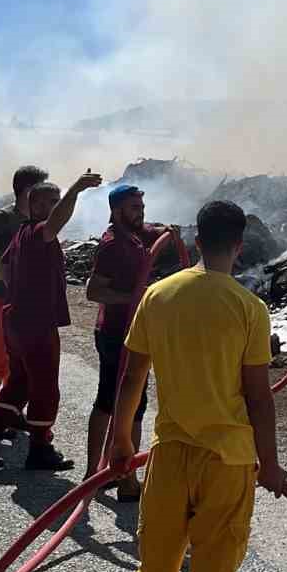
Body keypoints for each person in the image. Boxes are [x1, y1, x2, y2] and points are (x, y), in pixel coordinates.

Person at [111, 199, 286, 572]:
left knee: (156, 567)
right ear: (238, 245)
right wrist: (271, 464)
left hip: (168, 456)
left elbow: (131, 379)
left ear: (194, 237)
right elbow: (259, 397)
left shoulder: (158, 295)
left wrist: (121, 445)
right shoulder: (248, 308)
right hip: (227, 462)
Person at [0, 171, 102, 470]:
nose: (57, 206)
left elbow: (3, 266)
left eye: (58, 200)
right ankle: (40, 447)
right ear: (37, 205)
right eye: (51, 201)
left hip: (16, 318)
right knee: (44, 386)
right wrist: (76, 189)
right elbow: (57, 222)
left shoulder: (21, 235)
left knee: (20, 381)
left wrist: (21, 289)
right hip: (35, 322)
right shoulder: (38, 231)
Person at [84, 182, 179, 500]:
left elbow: (154, 231)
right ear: (117, 211)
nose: (141, 212)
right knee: (113, 401)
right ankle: (108, 476)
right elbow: (94, 291)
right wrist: (132, 297)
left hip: (134, 331)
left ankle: (117, 472)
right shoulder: (113, 245)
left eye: (142, 206)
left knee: (134, 403)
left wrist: (170, 230)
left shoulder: (137, 235)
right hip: (114, 332)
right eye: (135, 208)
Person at [0, 165, 48, 409]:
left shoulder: (37, 221)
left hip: (25, 304)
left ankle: (7, 412)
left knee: (18, 363)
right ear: (27, 190)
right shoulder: (4, 218)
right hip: (1, 300)